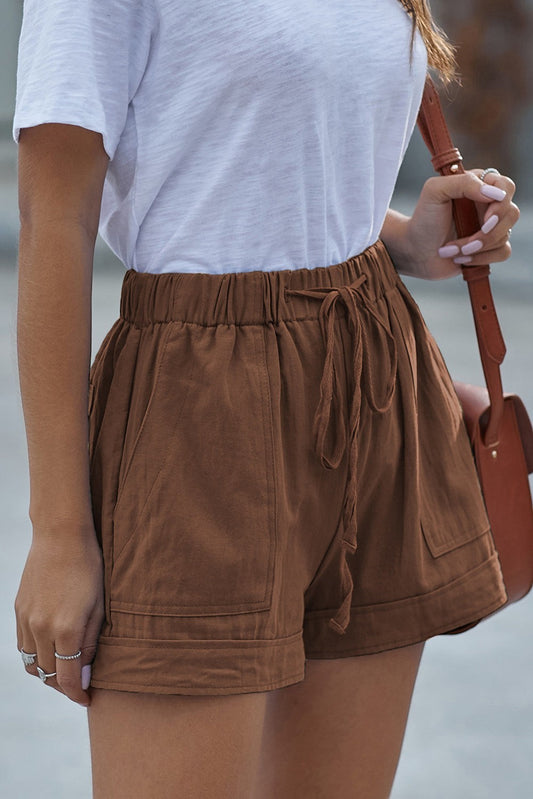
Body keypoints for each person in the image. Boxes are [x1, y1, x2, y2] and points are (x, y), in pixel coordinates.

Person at [12, 1, 519, 797]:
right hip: (196, 410)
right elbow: (53, 219)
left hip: (374, 374)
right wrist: (59, 534)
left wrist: (398, 237)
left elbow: (249, 143)